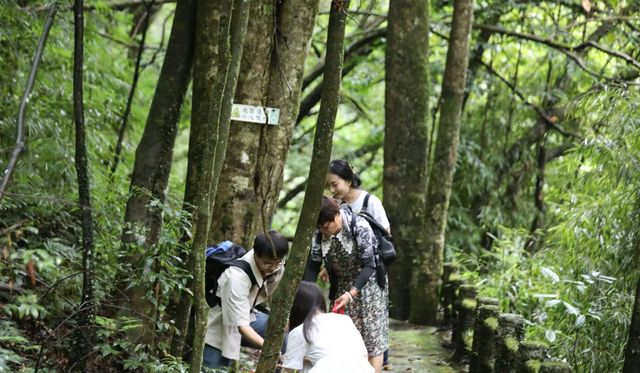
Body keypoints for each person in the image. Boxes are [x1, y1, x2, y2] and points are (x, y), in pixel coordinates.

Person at [303, 196, 388, 373]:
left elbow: (369, 265)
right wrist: (305, 293)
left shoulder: (359, 225)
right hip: (341, 285)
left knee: (372, 340)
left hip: (368, 286)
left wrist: (352, 293)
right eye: (319, 227)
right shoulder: (319, 233)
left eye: (325, 226)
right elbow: (313, 265)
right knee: (346, 340)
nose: (323, 231)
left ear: (336, 216)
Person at [326, 159, 392, 369]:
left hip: (370, 275)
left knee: (372, 336)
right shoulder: (335, 207)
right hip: (345, 279)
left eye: (335, 184)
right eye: (329, 186)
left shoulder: (369, 201)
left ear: (348, 180)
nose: (332, 189)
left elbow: (385, 232)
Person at [203, 230, 289, 369]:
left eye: (277, 263)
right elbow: (241, 326)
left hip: (248, 314)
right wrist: (270, 350)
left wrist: (280, 316)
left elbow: (273, 290)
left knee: (280, 333)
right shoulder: (236, 277)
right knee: (214, 366)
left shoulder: (276, 265)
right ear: (256, 254)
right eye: (267, 264)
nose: (272, 268)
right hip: (220, 323)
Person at [281, 281, 374, 373]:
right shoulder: (344, 319)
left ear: (295, 307)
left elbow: (290, 367)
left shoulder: (300, 330)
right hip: (361, 368)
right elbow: (363, 354)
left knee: (306, 366)